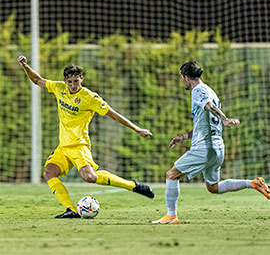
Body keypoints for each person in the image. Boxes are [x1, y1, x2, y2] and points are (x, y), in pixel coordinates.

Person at [17, 55, 154, 219]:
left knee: (90, 177)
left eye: (76, 81)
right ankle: (70, 209)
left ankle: (132, 186)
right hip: (63, 147)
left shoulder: (90, 97)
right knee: (49, 172)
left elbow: (112, 114)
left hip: (79, 146)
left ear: (81, 79)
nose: (73, 85)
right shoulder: (59, 88)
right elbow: (37, 80)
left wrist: (137, 129)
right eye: (70, 82)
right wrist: (25, 66)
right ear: (65, 81)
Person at [153, 61, 270, 224]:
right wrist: (183, 137)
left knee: (171, 175)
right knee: (213, 187)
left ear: (186, 77)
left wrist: (225, 119)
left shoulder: (198, 90)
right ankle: (253, 183)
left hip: (204, 148)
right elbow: (205, 123)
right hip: (217, 147)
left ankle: (171, 215)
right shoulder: (211, 91)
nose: (182, 82)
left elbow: (208, 106)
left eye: (182, 78)